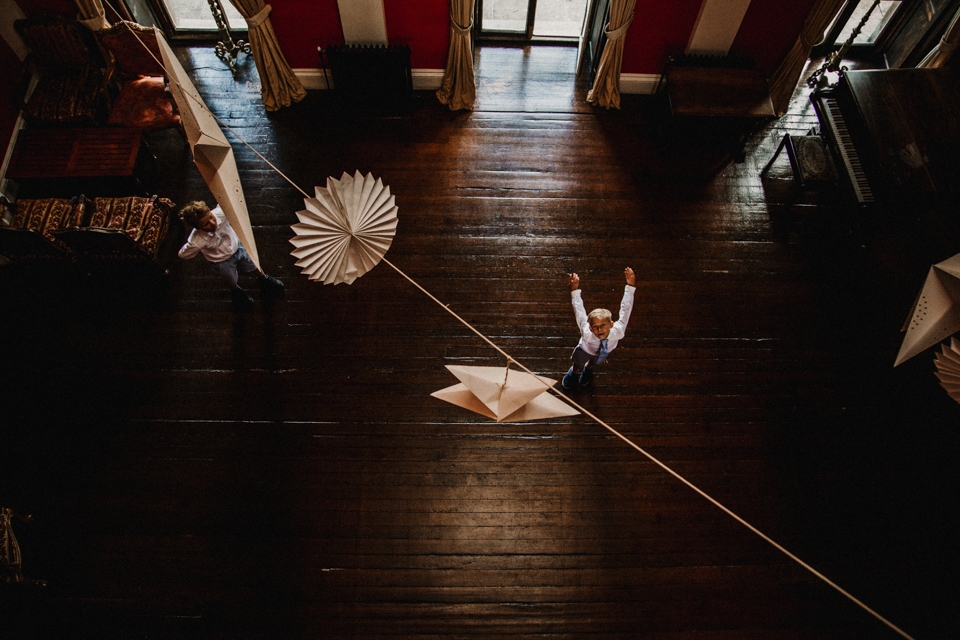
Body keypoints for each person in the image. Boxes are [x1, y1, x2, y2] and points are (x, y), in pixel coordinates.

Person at [177, 200, 283, 310]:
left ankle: (265, 280)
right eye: (206, 224)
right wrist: (194, 247)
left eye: (210, 217)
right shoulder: (196, 240)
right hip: (221, 261)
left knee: (253, 264)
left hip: (237, 247)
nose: (213, 223)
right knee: (230, 279)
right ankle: (237, 293)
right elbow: (183, 254)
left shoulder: (221, 213)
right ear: (198, 227)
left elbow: (228, 201)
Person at [562, 267, 636, 391]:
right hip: (584, 350)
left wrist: (630, 287)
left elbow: (626, 309)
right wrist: (574, 291)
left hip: (604, 351)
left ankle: (588, 369)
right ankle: (574, 372)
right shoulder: (586, 333)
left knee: (594, 362)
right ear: (590, 328)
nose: (599, 330)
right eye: (595, 327)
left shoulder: (618, 331)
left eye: (603, 325)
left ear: (611, 324)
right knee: (577, 362)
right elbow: (579, 311)